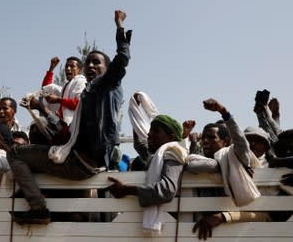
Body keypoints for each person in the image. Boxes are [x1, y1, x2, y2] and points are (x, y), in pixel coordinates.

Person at [7, 9, 132, 224]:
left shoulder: (105, 86)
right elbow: (69, 131)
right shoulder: (89, 95)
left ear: (107, 68)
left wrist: (119, 25)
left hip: (81, 163)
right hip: (82, 159)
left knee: (15, 154)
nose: (91, 66)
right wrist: (43, 111)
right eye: (88, 63)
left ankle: (39, 209)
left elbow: (122, 59)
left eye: (96, 63)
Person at [190, 99, 270, 241]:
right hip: (200, 232)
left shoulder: (235, 157)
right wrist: (215, 166)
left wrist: (223, 112)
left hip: (241, 232)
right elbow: (190, 165)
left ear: (225, 141)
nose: (206, 141)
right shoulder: (198, 159)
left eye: (211, 137)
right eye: (204, 138)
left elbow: (240, 141)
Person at [107, 115, 188, 232]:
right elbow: (140, 145)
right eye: (150, 131)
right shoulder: (156, 157)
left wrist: (127, 190)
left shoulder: (173, 155)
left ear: (171, 137)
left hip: (168, 228)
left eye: (156, 131)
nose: (149, 134)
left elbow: (167, 190)